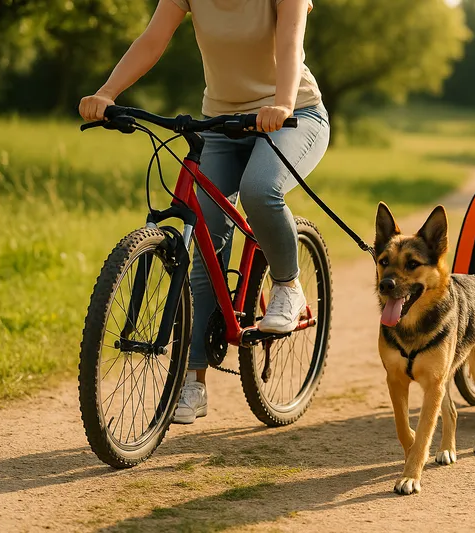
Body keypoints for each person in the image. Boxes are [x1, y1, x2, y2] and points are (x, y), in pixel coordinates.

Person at [79, 0, 330, 424]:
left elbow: (290, 45)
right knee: (204, 241)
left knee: (259, 190)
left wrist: (283, 103)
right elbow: (152, 41)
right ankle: (192, 384)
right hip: (221, 122)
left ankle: (288, 285)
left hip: (294, 116)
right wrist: (107, 93)